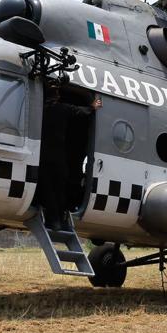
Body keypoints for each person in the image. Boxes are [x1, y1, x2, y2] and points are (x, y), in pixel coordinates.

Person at [39, 86, 100, 230]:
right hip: (59, 155)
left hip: (43, 155)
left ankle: (53, 220)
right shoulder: (63, 109)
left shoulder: (40, 110)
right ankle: (61, 218)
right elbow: (81, 111)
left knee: (47, 187)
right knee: (60, 187)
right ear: (57, 96)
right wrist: (93, 106)